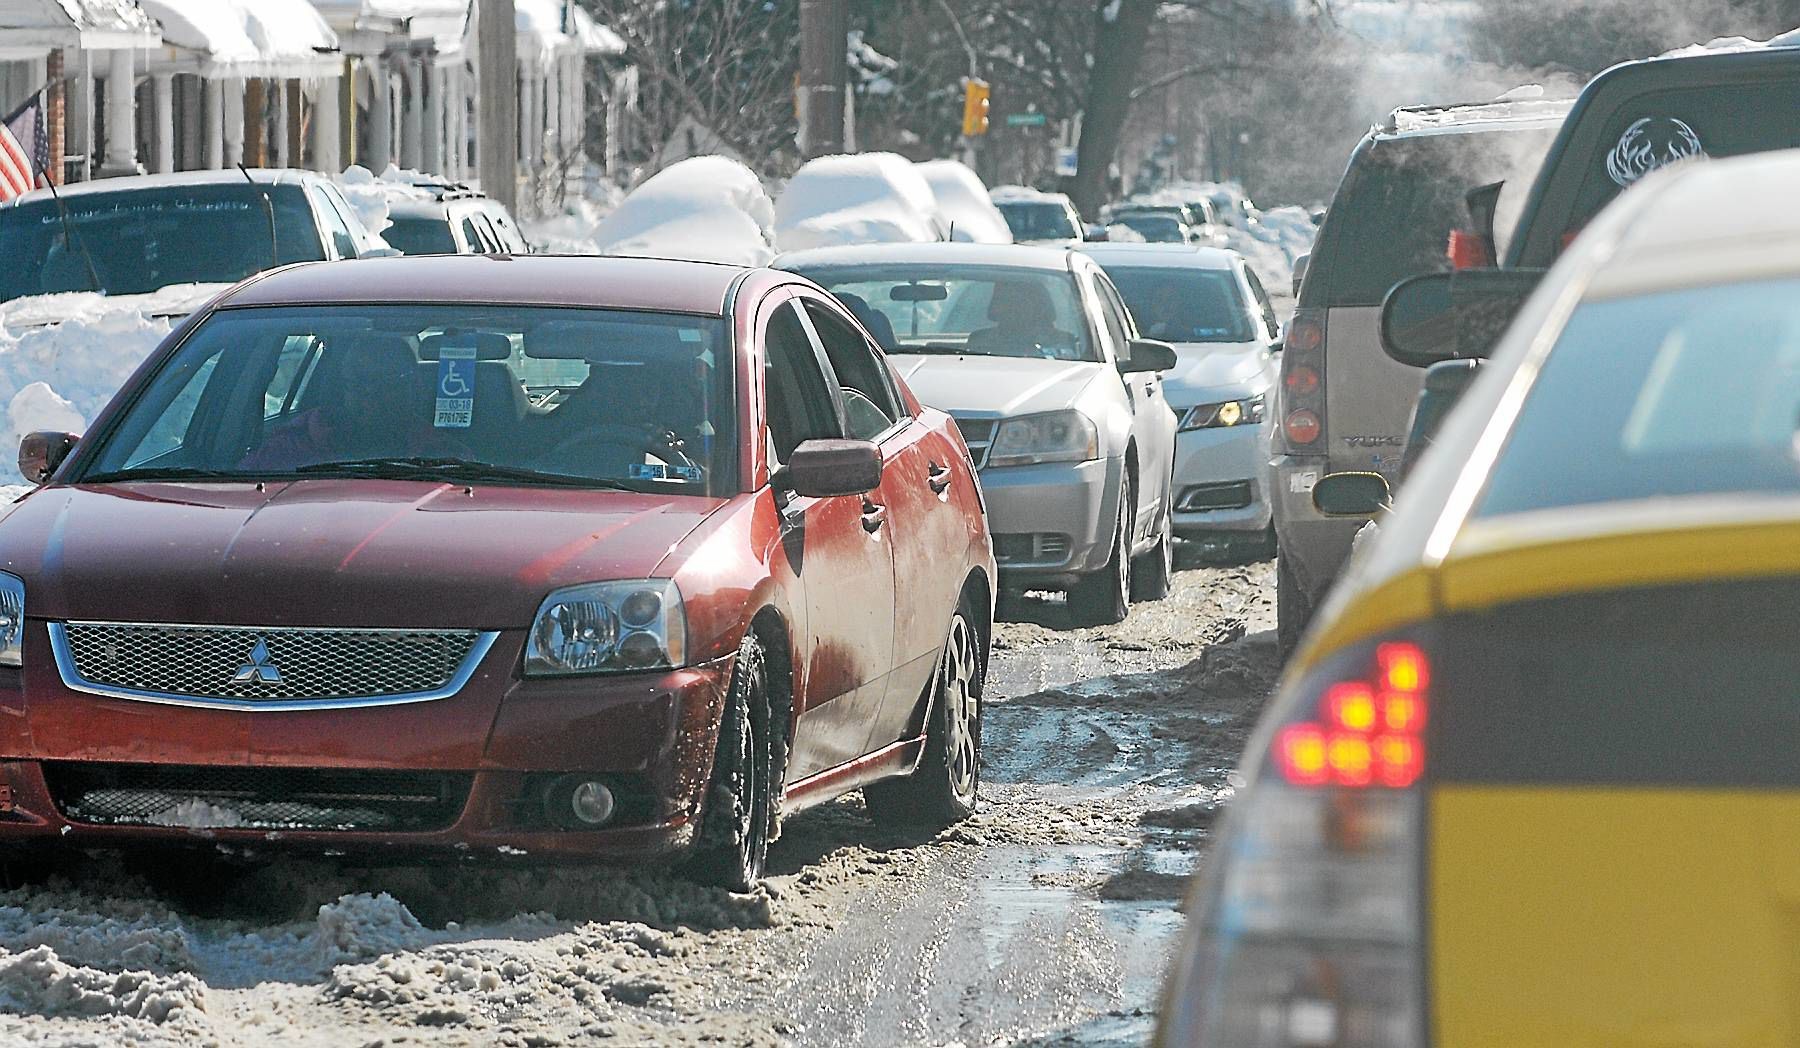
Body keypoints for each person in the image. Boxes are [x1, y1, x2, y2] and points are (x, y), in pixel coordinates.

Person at [241, 336, 467, 470]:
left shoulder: (448, 461)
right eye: (359, 382)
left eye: (385, 383)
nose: (370, 394)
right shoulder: (290, 448)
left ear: (414, 389)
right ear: (342, 389)